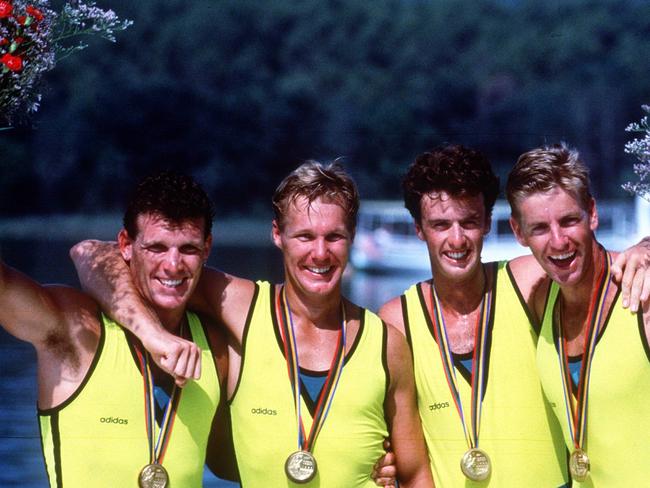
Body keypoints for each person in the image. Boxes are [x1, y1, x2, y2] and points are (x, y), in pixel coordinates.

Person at [71, 161, 434, 487]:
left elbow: (416, 474)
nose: (320, 253)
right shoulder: (239, 307)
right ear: (278, 235)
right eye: (305, 236)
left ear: (352, 237)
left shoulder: (385, 344)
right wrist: (154, 338)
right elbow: (92, 254)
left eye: (334, 237)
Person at [376, 144, 650, 486]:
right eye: (441, 224)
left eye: (469, 222)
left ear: (489, 224)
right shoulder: (397, 320)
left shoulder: (526, 283)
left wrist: (645, 247)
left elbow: (594, 263)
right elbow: (399, 448)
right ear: (419, 229)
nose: (457, 239)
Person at [0, 171, 226, 487]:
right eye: (157, 247)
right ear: (125, 244)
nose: (173, 265)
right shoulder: (77, 331)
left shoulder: (215, 348)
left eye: (187, 249)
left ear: (207, 248)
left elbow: (234, 463)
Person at [506, 143, 650, 486]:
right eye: (539, 228)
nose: (558, 242)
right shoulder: (539, 294)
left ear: (593, 213)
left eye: (569, 221)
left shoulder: (641, 293)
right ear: (518, 232)